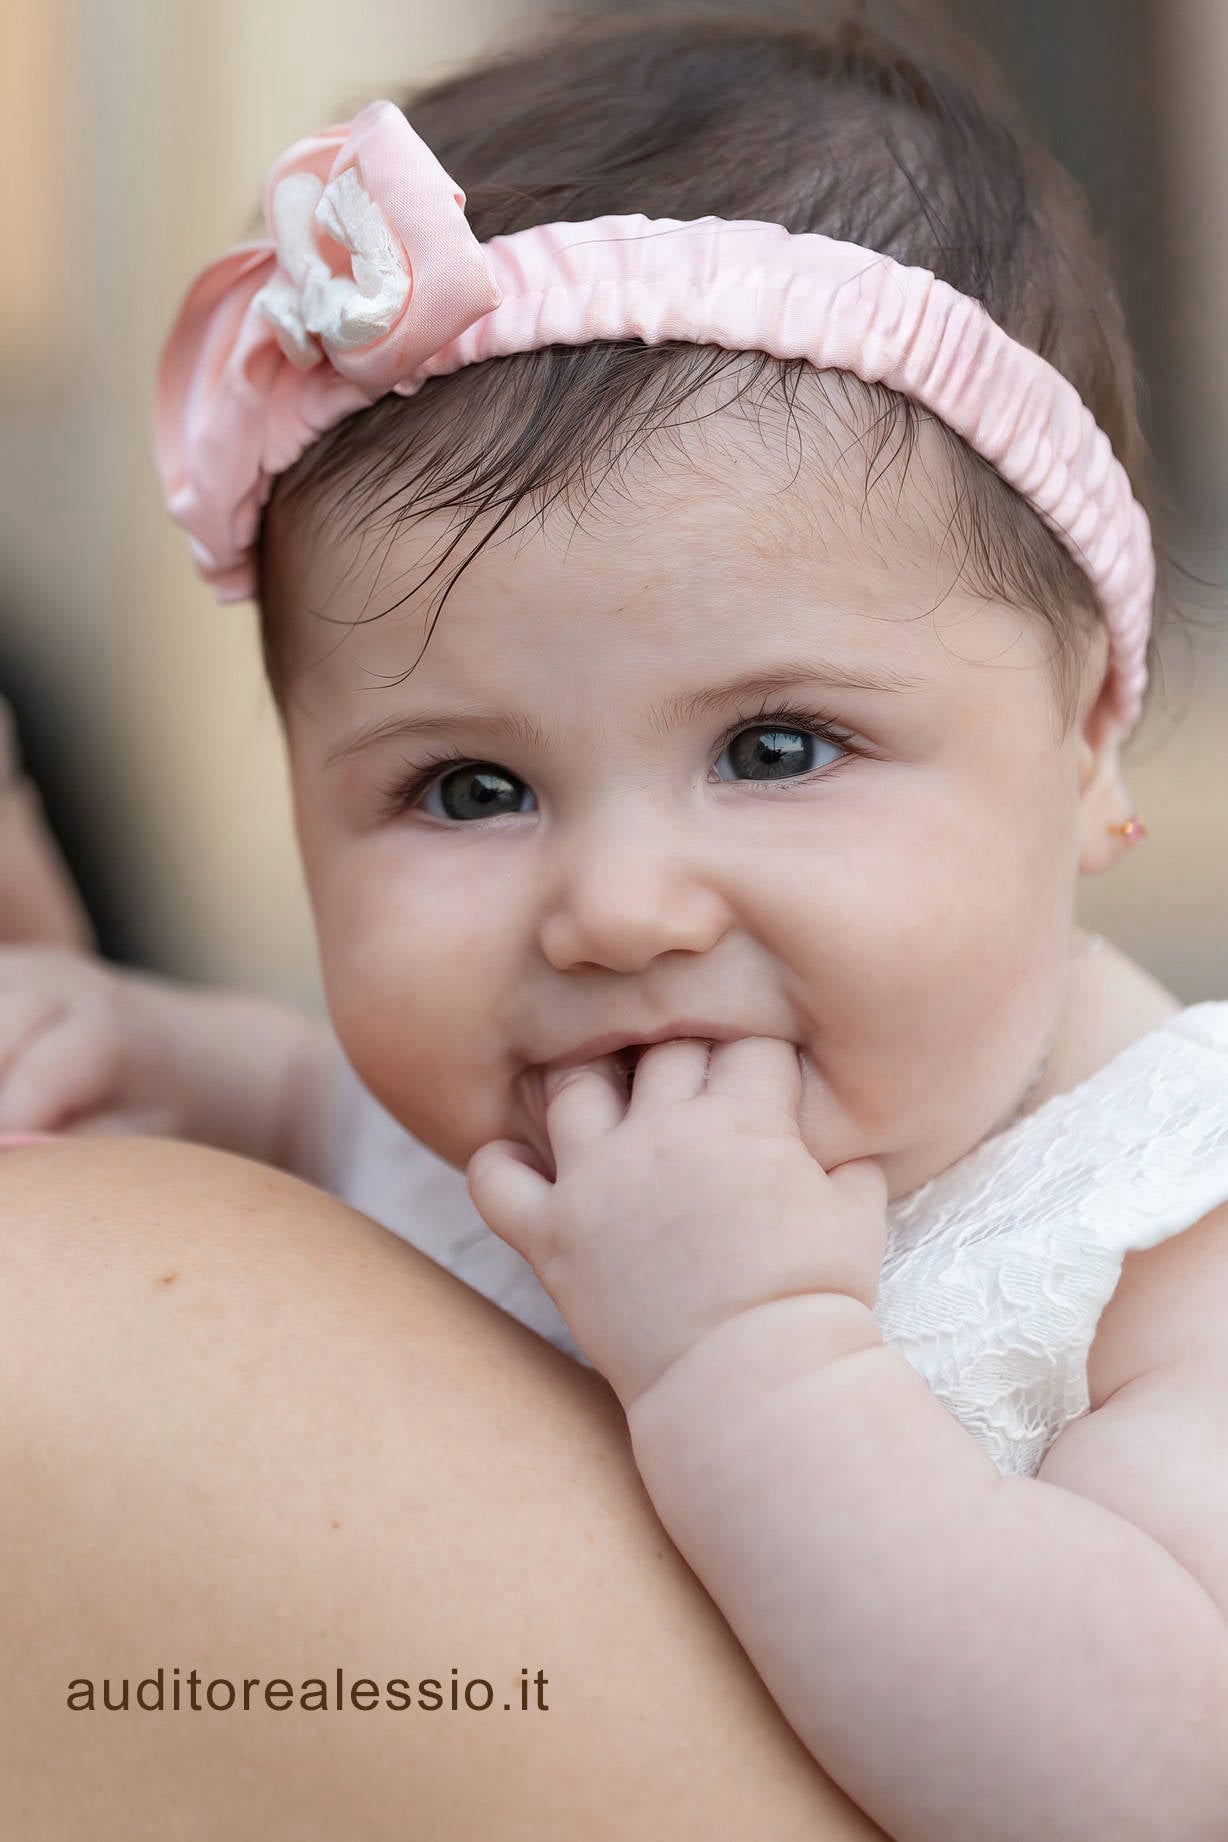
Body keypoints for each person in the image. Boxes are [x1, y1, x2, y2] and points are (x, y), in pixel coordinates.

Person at [3, 1, 1228, 1833]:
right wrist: (190, 1069)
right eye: (468, 790)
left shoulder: (1157, 1216)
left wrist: (760, 1367)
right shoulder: (519, 1106)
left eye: (778, 744)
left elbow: (1146, 1777)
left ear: (1084, 739)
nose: (619, 909)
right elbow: (360, 1141)